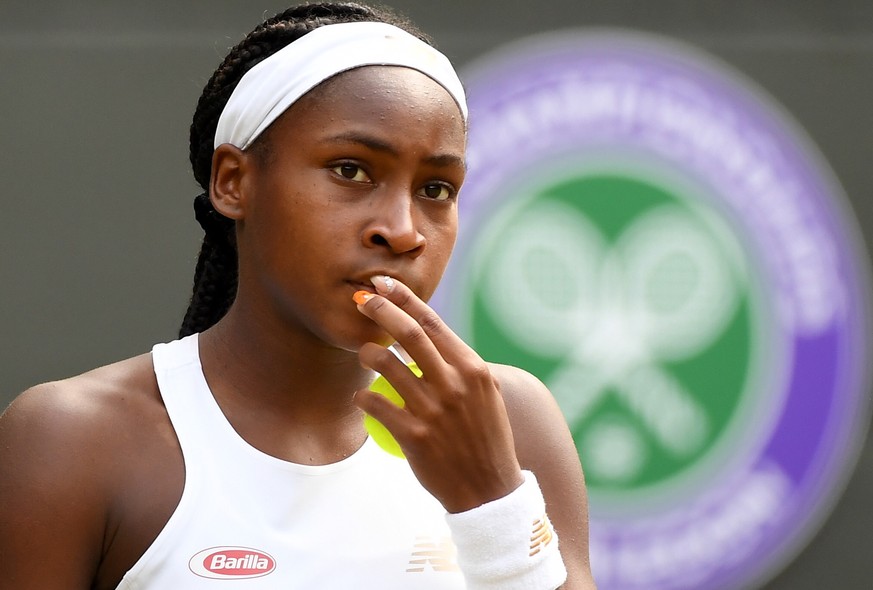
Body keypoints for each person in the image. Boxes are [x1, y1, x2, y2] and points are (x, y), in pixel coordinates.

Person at [0, 3, 596, 589]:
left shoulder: (511, 419)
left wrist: (494, 504)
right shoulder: (72, 441)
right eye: (351, 170)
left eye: (436, 188)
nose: (403, 229)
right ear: (233, 181)